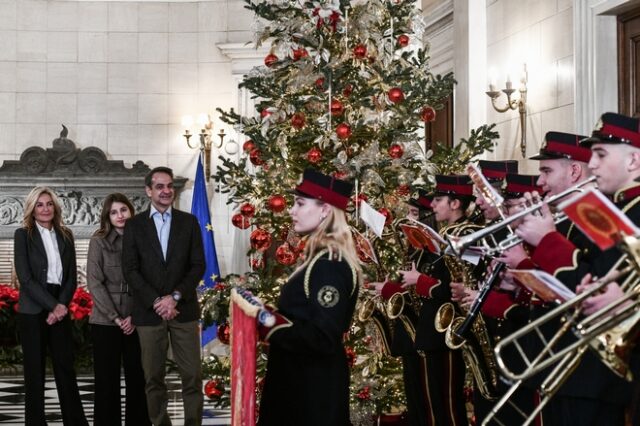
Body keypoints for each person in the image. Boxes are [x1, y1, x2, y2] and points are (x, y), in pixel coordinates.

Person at [257, 169, 362, 426]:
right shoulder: (320, 258)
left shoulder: (329, 264)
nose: (292, 211)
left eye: (300, 204)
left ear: (325, 210)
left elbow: (322, 337)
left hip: (311, 393)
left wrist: (269, 323)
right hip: (301, 385)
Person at [122, 166, 205, 426]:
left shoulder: (188, 222)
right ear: (148, 191)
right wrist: (157, 301)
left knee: (192, 375)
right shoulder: (134, 225)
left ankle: (193, 423)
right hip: (149, 313)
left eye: (169, 186)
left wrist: (175, 297)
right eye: (160, 186)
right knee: (153, 378)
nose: (166, 190)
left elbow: (198, 265)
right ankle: (160, 423)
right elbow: (130, 269)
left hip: (184, 310)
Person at [13, 186, 88, 425]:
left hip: (60, 302)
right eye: (39, 204)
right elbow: (25, 278)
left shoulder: (66, 234)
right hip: (33, 307)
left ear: (55, 207)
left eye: (48, 204)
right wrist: (52, 306)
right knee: (34, 371)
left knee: (65, 367)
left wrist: (61, 306)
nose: (45, 208)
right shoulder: (23, 235)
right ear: (32, 209)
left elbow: (71, 278)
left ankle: (75, 421)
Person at [86, 193, 150, 426]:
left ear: (131, 211)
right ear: (108, 216)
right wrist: (115, 317)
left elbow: (150, 280)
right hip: (105, 321)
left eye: (123, 210)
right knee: (106, 380)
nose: (119, 215)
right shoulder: (98, 241)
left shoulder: (144, 239)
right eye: (114, 212)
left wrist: (134, 316)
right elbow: (94, 282)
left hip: (138, 318)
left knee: (137, 378)